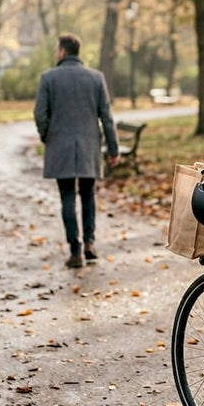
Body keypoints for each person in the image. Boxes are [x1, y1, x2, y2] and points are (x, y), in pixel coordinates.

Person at [34, 33, 120, 269]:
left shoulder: (48, 78)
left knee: (67, 197)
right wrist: (113, 149)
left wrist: (47, 135)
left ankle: (75, 249)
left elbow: (40, 113)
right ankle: (90, 242)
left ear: (62, 51)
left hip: (59, 145)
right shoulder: (96, 78)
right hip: (88, 146)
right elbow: (106, 117)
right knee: (88, 195)